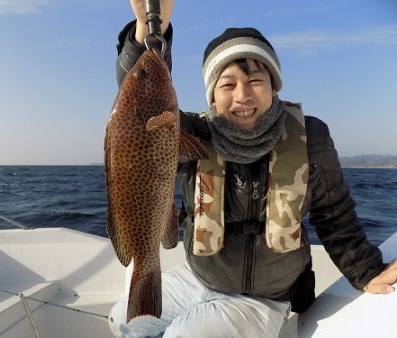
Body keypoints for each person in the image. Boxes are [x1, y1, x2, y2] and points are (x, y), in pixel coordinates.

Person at [109, 1, 397, 337]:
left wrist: (366, 271)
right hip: (199, 276)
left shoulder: (310, 137)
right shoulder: (187, 132)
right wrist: (147, 26)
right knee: (123, 322)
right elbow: (140, 108)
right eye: (227, 85)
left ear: (274, 86)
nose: (243, 95)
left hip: (265, 296)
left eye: (256, 80)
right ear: (212, 97)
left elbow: (334, 216)